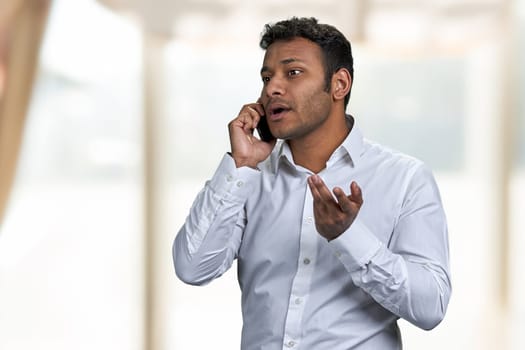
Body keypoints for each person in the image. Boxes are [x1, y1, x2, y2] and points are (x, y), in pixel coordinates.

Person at [173, 17, 451, 350]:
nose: (272, 88)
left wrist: (349, 237)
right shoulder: (250, 177)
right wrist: (241, 165)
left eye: (292, 73)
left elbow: (430, 307)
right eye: (267, 77)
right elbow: (193, 268)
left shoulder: (405, 178)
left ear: (339, 84)